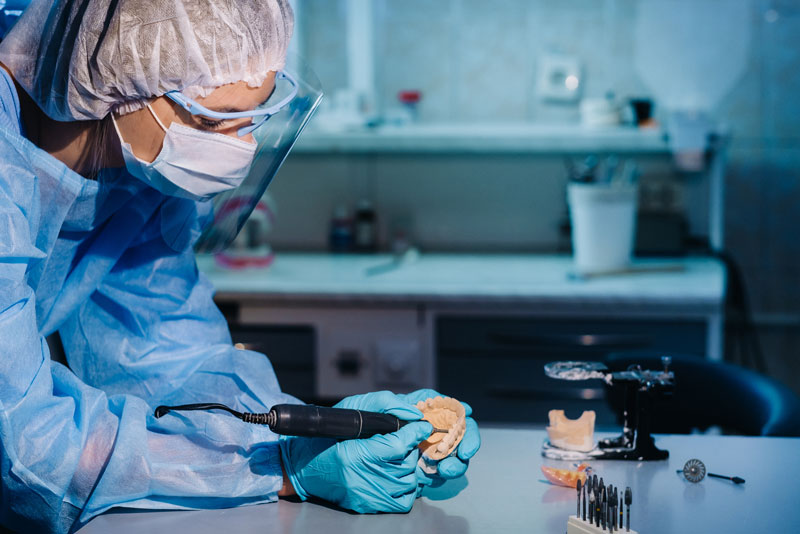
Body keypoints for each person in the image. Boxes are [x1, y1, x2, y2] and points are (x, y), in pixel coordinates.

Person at [0, 1, 480, 533]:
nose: (239, 150)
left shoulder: (136, 172)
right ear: (114, 78)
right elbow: (27, 450)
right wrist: (275, 466)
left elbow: (167, 361)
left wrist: (312, 434)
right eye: (211, 122)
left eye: (251, 120)